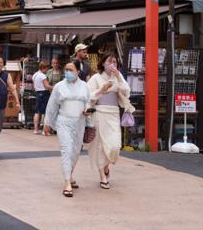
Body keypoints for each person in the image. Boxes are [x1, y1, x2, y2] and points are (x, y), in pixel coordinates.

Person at [87, 52, 135, 189]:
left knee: (114, 145)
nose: (112, 64)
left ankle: (106, 166)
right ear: (103, 63)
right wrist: (102, 89)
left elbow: (126, 91)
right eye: (109, 61)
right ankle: (102, 176)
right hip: (100, 114)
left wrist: (119, 76)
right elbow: (88, 96)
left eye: (114, 62)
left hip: (114, 114)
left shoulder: (117, 77)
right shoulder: (95, 78)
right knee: (100, 146)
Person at [44, 62, 90, 197]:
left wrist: (88, 112)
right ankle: (67, 183)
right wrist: (47, 122)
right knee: (66, 150)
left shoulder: (85, 87)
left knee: (75, 152)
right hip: (63, 122)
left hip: (79, 122)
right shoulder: (59, 86)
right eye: (66, 69)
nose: (67, 72)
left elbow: (88, 102)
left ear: (78, 72)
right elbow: (52, 105)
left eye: (71, 69)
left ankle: (69, 175)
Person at [32, 61, 52, 134]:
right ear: (44, 68)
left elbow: (34, 86)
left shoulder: (35, 75)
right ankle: (45, 130)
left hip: (38, 93)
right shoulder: (43, 76)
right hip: (44, 93)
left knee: (37, 112)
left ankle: (36, 129)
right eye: (47, 68)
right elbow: (47, 86)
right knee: (46, 112)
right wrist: (54, 88)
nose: (47, 70)